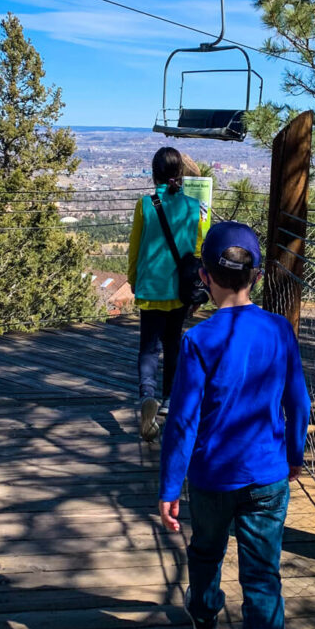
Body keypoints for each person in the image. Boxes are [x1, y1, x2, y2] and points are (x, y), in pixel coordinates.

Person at [158, 220, 310, 629]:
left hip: (212, 477)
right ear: (258, 275)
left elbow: (182, 421)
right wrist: (294, 455)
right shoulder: (280, 330)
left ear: (205, 276)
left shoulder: (198, 339)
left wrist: (169, 488)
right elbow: (298, 402)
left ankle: (204, 612)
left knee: (205, 550)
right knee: (263, 580)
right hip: (268, 476)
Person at [127, 147, 202, 442]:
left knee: (148, 347)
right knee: (173, 345)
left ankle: (147, 396)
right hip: (179, 289)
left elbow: (135, 247)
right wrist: (196, 288)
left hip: (151, 288)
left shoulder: (145, 204)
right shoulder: (193, 207)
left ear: (154, 173)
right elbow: (196, 251)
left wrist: (134, 279)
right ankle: (169, 402)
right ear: (180, 174)